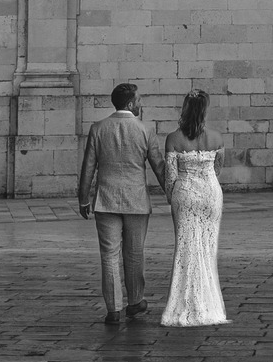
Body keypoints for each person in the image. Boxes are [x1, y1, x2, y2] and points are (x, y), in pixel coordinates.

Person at [77, 82, 167, 327]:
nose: (141, 104)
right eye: (138, 100)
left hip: (105, 201)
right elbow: (159, 166)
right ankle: (135, 301)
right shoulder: (145, 130)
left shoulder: (98, 128)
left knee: (109, 256)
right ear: (130, 103)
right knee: (135, 253)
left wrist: (83, 197)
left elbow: (88, 167)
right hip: (136, 202)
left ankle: (113, 309)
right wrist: (172, 192)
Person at [160, 89, 227, 327]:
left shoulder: (173, 139)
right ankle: (209, 306)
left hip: (185, 193)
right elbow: (217, 169)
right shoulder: (217, 137)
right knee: (208, 251)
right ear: (205, 110)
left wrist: (173, 197)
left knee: (185, 249)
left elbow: (170, 178)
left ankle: (185, 305)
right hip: (210, 193)